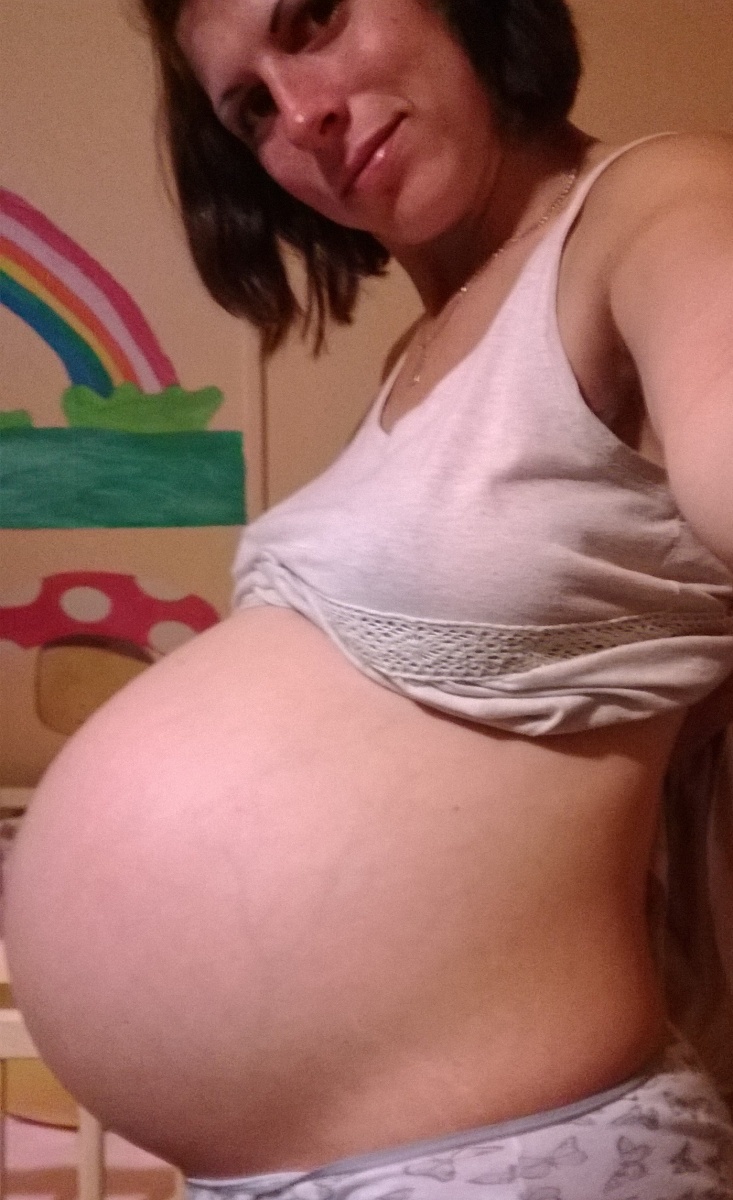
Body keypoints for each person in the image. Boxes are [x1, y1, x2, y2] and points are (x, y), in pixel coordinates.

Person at [6, 1, 733, 1196]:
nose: (301, 117)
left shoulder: (661, 206)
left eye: (314, 19)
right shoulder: (416, 356)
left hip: (505, 1157)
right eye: (249, 108)